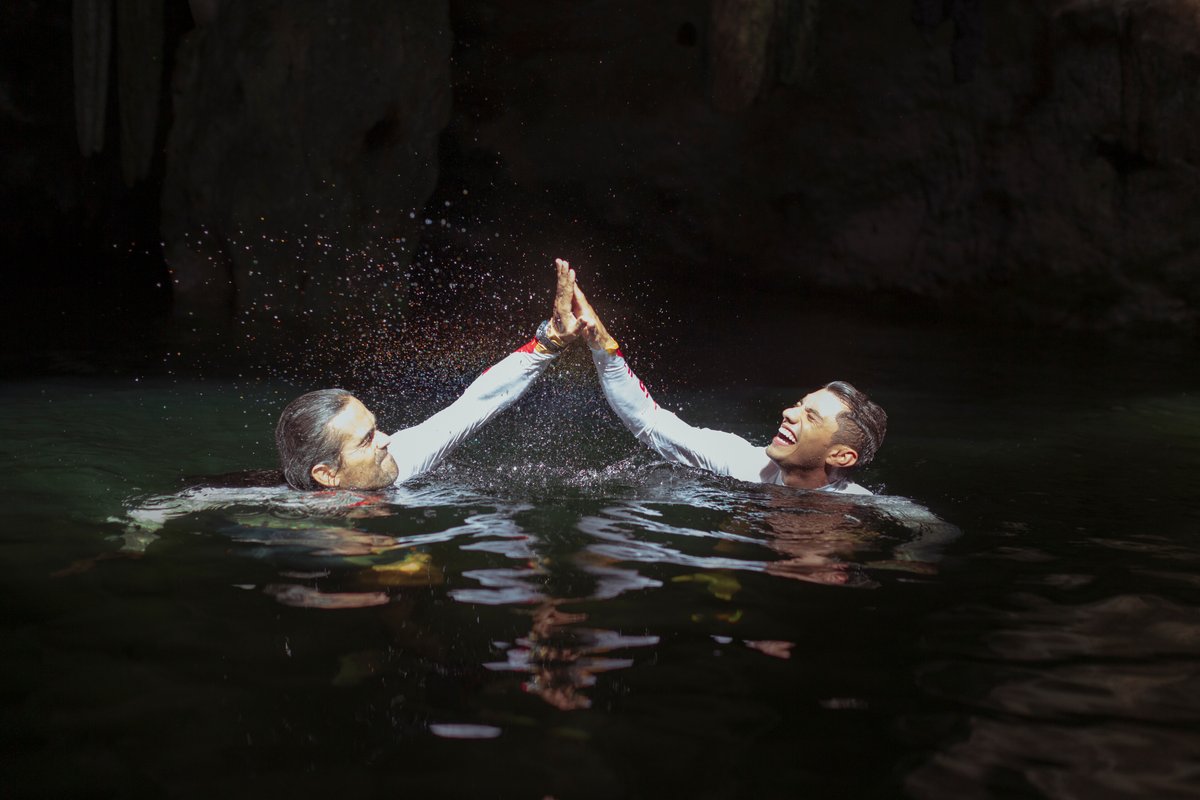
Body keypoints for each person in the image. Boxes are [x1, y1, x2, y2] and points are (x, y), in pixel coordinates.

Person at [274, 260, 584, 491]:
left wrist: (551, 341)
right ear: (327, 475)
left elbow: (475, 404)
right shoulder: (275, 508)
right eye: (366, 440)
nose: (386, 440)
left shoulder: (401, 460)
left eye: (375, 429)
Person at [571, 283, 887, 495]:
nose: (789, 413)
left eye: (811, 417)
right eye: (798, 405)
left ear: (841, 456)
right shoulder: (742, 463)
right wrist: (600, 343)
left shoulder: (862, 509)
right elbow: (648, 421)